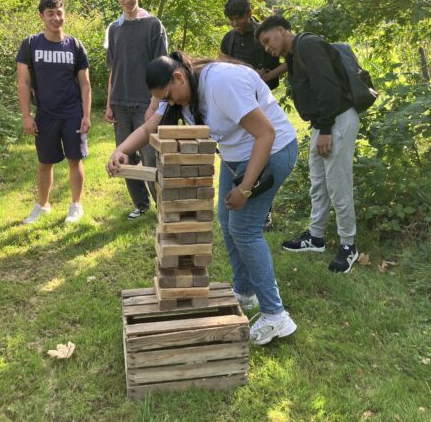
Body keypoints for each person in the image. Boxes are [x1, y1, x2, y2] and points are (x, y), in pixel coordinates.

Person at [107, 51, 299, 346]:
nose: (170, 103)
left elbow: (266, 134)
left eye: (169, 96)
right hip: (237, 157)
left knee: (244, 231)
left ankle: (276, 316)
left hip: (271, 153)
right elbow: (149, 128)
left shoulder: (222, 83)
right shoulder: (178, 91)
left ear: (179, 76)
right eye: (163, 100)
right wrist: (122, 150)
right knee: (226, 220)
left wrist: (246, 189)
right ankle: (243, 291)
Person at [255, 15, 360, 274]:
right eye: (264, 45)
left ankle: (349, 245)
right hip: (322, 123)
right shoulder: (294, 54)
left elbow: (329, 88)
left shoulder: (308, 45)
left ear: (282, 30)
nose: (268, 48)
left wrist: (325, 128)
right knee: (318, 182)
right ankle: (315, 237)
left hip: (336, 120)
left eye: (268, 40)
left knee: (338, 183)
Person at [17, 0, 91, 225]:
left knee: (74, 159)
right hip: (45, 115)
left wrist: (86, 115)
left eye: (59, 13)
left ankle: (76, 205)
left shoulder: (75, 46)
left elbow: (85, 84)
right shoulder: (30, 44)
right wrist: (27, 116)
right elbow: (23, 83)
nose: (56, 18)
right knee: (44, 162)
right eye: (50, 13)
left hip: (72, 113)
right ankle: (42, 205)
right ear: (41, 16)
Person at [219, 0, 287, 232]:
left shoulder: (263, 34)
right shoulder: (229, 38)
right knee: (243, 152)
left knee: (261, 151)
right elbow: (222, 60)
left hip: (261, 101)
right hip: (237, 103)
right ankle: (238, 195)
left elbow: (286, 61)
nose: (234, 23)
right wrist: (243, 69)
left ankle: (264, 211)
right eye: (231, 19)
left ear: (249, 13)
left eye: (238, 18)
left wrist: (266, 76)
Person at [104, 0, 168, 220]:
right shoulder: (114, 28)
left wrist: (155, 104)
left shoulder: (153, 25)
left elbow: (162, 69)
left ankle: (162, 206)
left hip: (146, 103)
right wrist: (110, 102)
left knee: (151, 158)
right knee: (125, 156)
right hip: (120, 103)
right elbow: (114, 69)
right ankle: (141, 205)